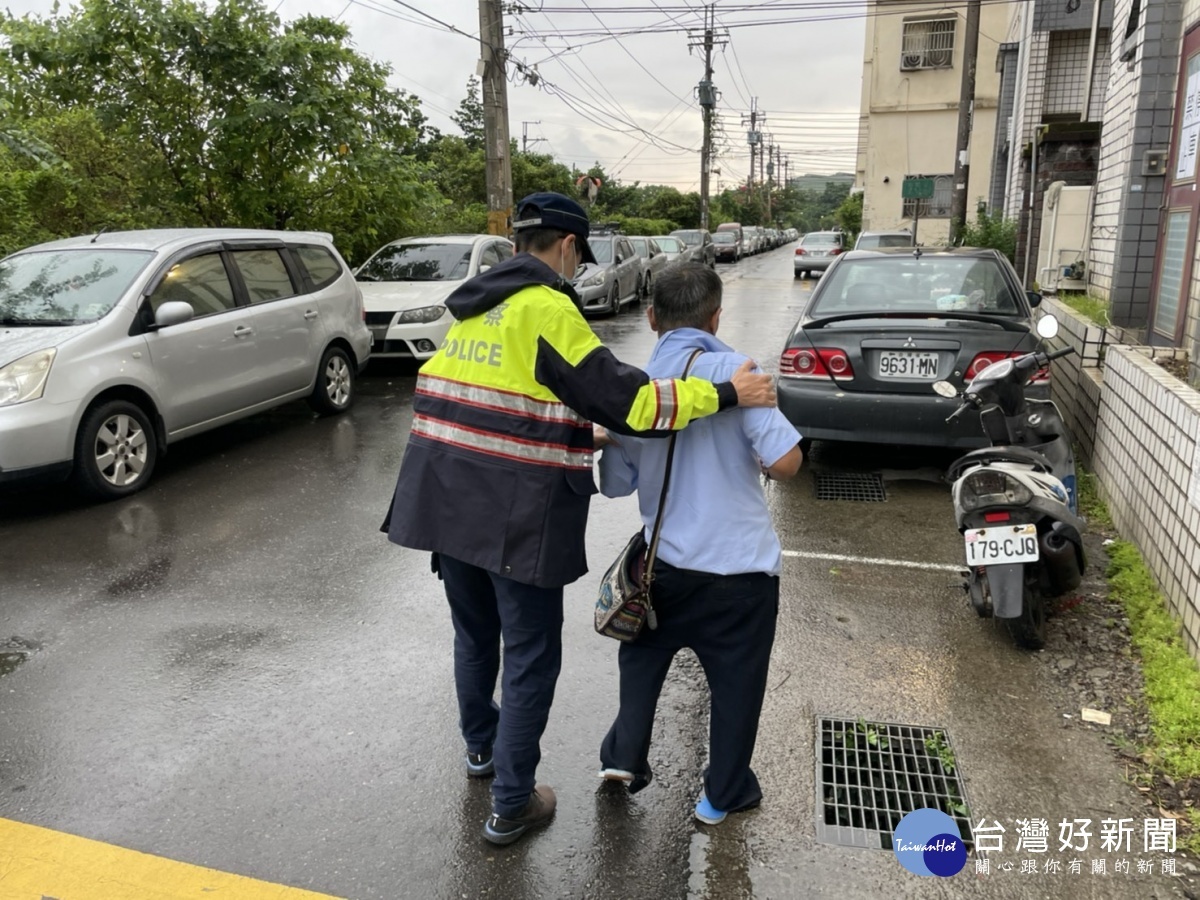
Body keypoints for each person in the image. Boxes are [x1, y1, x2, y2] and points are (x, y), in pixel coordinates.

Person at [381, 192, 777, 847]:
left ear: (517, 245)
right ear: (567, 246)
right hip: (509, 518)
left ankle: (481, 751)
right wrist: (730, 392)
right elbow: (633, 402)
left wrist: (570, 437)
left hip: (443, 503)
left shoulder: (475, 312)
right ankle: (513, 803)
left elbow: (503, 406)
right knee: (530, 657)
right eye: (578, 256)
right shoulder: (546, 308)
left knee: (475, 639)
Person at [593, 261, 803, 826]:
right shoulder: (740, 372)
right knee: (736, 684)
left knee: (642, 656)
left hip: (664, 566)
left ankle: (623, 758)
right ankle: (721, 795)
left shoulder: (637, 390)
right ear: (716, 315)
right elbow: (786, 463)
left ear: (652, 315)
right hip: (740, 573)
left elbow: (614, 483)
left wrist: (614, 436)